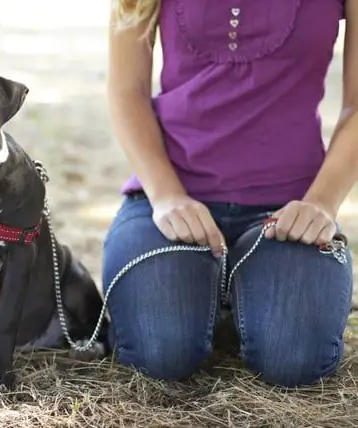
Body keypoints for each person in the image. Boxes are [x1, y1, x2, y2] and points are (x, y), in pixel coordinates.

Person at [102, 0, 356, 388]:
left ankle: (233, 295)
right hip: (168, 199)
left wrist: (321, 203)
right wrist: (167, 195)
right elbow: (126, 91)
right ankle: (220, 296)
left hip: (290, 209)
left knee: (293, 358)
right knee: (160, 353)